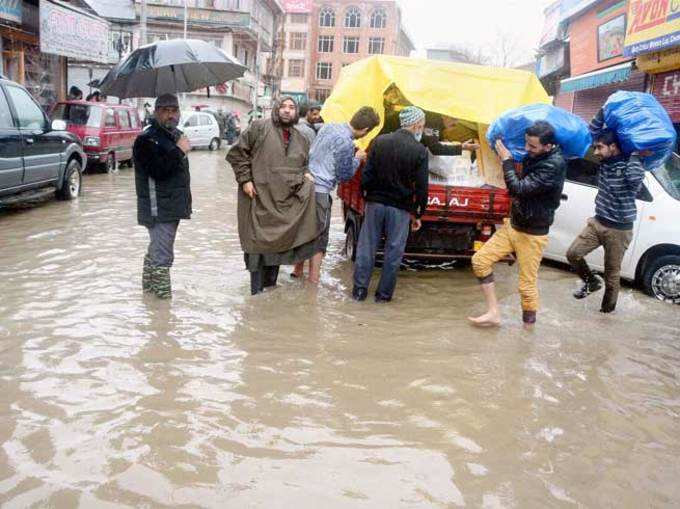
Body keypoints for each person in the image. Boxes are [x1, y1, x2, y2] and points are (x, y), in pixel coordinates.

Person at [469, 121, 566, 327]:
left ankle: (527, 335)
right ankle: (494, 312)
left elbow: (518, 189)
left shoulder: (553, 165)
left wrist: (507, 161)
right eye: (526, 144)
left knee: (526, 287)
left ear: (547, 147)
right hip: (514, 224)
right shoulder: (536, 156)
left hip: (533, 234)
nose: (527, 149)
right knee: (480, 261)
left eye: (532, 146)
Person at [227, 96, 319, 295]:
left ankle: (268, 294)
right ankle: (255, 297)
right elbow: (237, 154)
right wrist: (245, 180)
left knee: (278, 249)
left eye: (291, 107)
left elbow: (300, 165)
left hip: (283, 204)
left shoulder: (301, 138)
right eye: (283, 107)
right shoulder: (259, 128)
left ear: (296, 112)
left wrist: (305, 176)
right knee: (257, 248)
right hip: (257, 198)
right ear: (276, 109)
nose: (287, 110)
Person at [292, 106, 381, 283]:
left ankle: (297, 271)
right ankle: (313, 283)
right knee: (319, 237)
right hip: (321, 192)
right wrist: (358, 158)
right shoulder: (346, 143)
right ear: (364, 130)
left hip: (304, 187)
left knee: (303, 230)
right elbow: (344, 175)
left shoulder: (328, 127)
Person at [352, 106, 429, 303]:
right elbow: (422, 186)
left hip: (375, 203)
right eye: (422, 124)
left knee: (366, 248)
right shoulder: (419, 150)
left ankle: (359, 292)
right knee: (393, 253)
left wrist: (366, 195)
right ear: (416, 124)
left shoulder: (380, 141)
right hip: (400, 209)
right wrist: (418, 213)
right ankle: (383, 297)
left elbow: (367, 174)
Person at [566, 130, 645, 313]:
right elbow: (594, 128)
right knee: (573, 254)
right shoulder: (605, 164)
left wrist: (634, 154)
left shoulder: (631, 165)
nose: (596, 152)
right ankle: (591, 282)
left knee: (612, 275)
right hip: (598, 222)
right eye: (595, 147)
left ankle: (606, 314)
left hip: (619, 230)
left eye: (600, 147)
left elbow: (635, 181)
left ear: (613, 147)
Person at [133, 93, 192, 299]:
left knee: (155, 252)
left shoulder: (175, 135)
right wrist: (179, 151)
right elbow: (157, 171)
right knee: (162, 257)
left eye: (174, 110)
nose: (170, 115)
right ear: (156, 112)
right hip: (158, 209)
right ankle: (161, 311)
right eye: (165, 110)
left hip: (172, 207)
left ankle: (148, 298)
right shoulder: (146, 139)